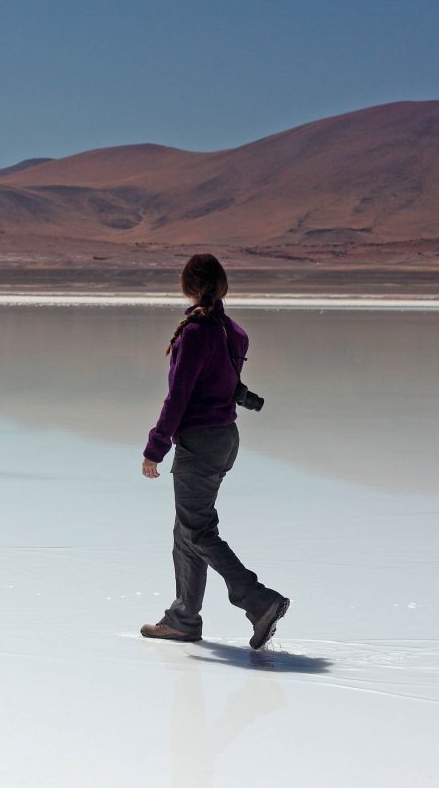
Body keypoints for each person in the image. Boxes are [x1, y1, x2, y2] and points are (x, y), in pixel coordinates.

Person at [139, 253, 290, 649]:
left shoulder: (195, 332)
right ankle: (183, 618)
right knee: (186, 529)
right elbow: (221, 381)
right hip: (224, 438)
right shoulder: (232, 331)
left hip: (200, 441)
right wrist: (244, 396)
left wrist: (156, 446)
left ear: (187, 286)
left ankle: (258, 600)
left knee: (198, 530)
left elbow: (179, 397)